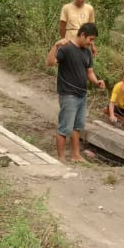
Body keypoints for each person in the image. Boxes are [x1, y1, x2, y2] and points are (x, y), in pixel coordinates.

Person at [46, 22, 105, 163]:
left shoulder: (87, 52)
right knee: (64, 127)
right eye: (90, 39)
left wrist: (96, 82)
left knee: (77, 127)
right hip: (68, 94)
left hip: (82, 94)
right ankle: (61, 158)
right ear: (82, 35)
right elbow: (50, 62)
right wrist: (56, 46)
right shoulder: (66, 48)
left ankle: (76, 156)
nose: (91, 43)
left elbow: (89, 72)